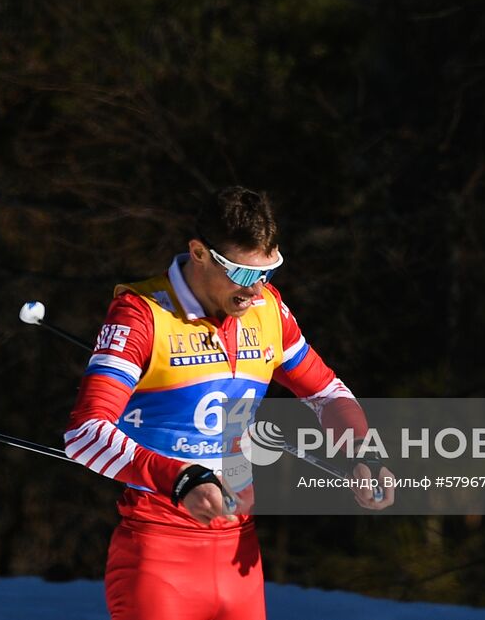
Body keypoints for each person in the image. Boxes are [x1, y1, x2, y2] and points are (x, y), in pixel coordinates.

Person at [64, 186, 394, 620]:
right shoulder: (141, 314)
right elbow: (85, 435)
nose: (255, 290)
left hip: (240, 552)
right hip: (159, 551)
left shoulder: (267, 311)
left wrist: (358, 450)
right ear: (199, 253)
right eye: (241, 274)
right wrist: (180, 477)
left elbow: (325, 390)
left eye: (267, 272)